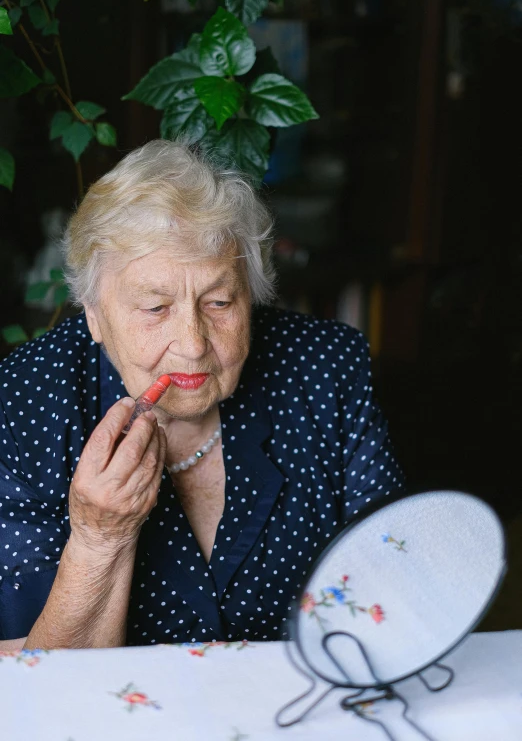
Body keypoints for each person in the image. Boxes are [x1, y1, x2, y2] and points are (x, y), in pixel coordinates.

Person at [0, 141, 404, 650]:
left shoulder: (323, 366)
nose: (192, 345)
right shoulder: (22, 404)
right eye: (154, 307)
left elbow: (395, 578)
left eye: (218, 301)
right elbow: (24, 681)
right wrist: (100, 540)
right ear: (94, 315)